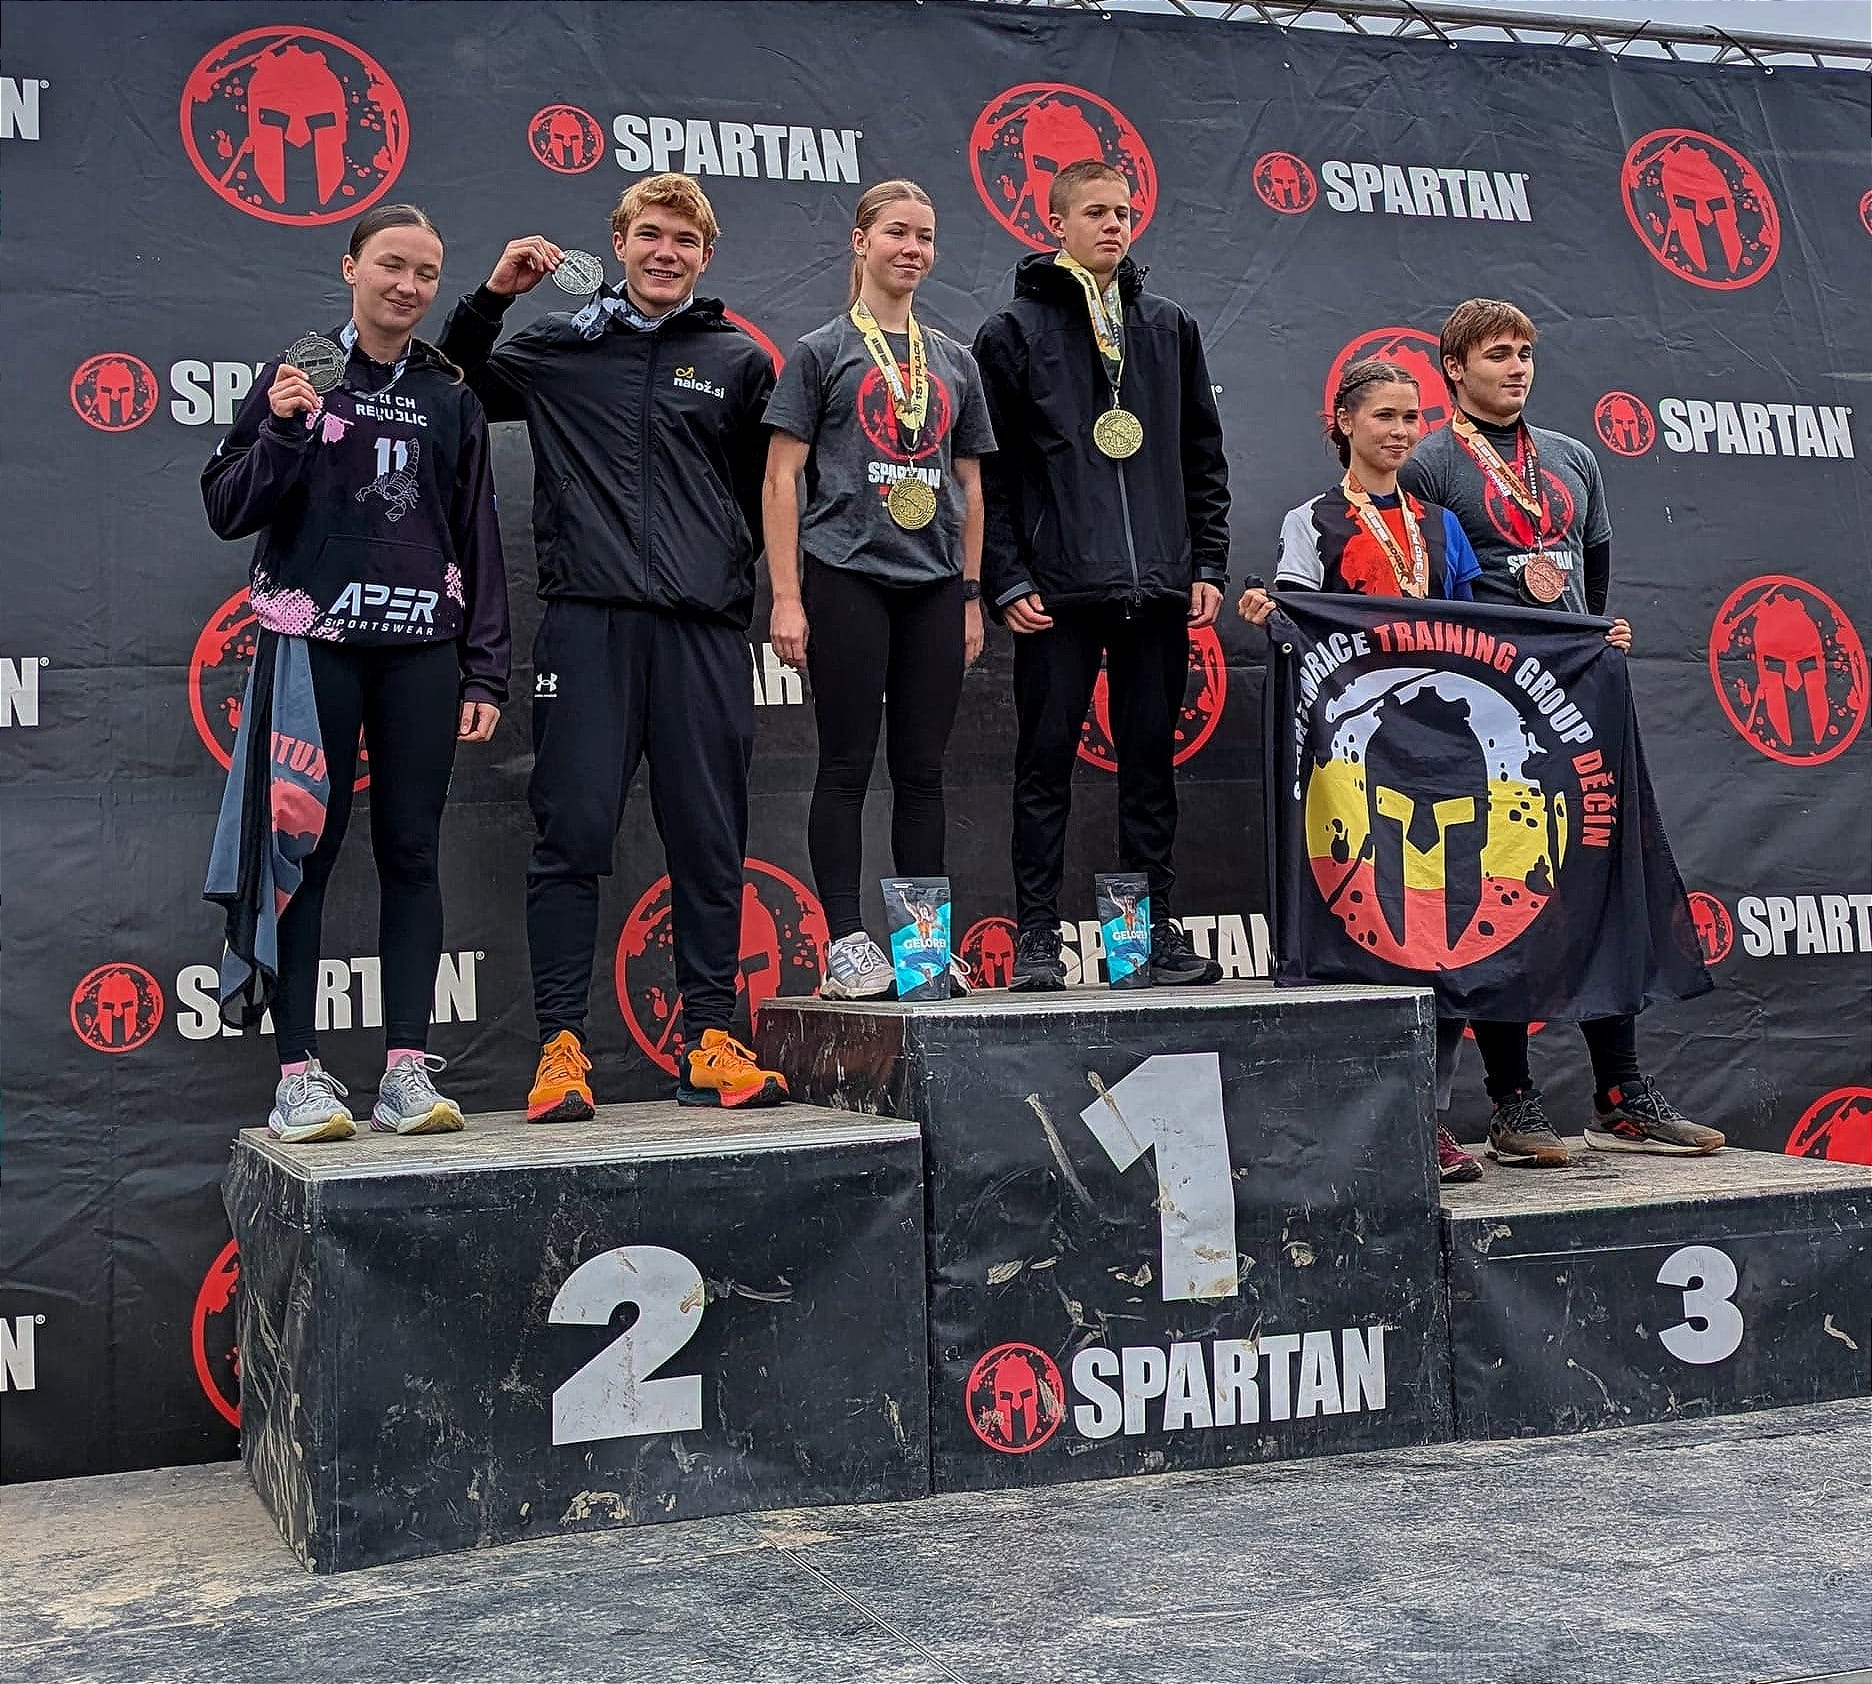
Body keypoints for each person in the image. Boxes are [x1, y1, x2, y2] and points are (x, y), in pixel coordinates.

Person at [436, 172, 790, 1117]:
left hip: (702, 634)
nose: (666, 252)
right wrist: (494, 296)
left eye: (684, 239)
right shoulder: (561, 345)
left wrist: (718, 570)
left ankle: (709, 1038)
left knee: (709, 842)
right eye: (650, 235)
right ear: (620, 242)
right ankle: (561, 1050)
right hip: (586, 627)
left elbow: (765, 495)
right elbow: (448, 381)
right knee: (572, 836)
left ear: (706, 256)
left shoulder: (737, 360)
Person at [202, 204, 509, 1144]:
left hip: (421, 648)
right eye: (390, 265)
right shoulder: (297, 375)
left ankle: (406, 1073)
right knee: (308, 853)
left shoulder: (450, 394)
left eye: (425, 272)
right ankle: (297, 1076)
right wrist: (284, 430)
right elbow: (226, 506)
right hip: (313, 645)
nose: (408, 286)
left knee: (412, 853)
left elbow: (477, 535)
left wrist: (485, 672)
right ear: (350, 268)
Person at [1395, 297, 1724, 1165]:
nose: (1517, 368)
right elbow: (1423, 589)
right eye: (1497, 354)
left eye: (1525, 353)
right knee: (1506, 892)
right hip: (1491, 714)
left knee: (1599, 887)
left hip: (1580, 706)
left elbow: (1591, 578)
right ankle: (1511, 1102)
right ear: (1454, 369)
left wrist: (1590, 643)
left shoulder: (1573, 458)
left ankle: (1621, 1093)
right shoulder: (1430, 464)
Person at [972, 158, 1231, 991]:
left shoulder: (1167, 326)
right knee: (1045, 764)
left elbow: (1201, 453)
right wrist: (1007, 578)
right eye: (1095, 212)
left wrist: (1208, 561)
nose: (1114, 224)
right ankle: (1038, 938)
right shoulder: (1011, 333)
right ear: (1056, 223)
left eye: (1122, 212)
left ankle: (1147, 937)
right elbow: (991, 474)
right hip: (1058, 590)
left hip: (1157, 587)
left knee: (1150, 768)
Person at [1239, 357, 1484, 1182]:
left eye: (1412, 417)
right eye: (1384, 415)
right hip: (1352, 759)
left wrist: (1589, 637)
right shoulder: (1311, 521)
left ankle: (1431, 1120)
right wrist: (1269, 614)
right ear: (1343, 423)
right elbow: (1295, 622)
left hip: (1441, 758)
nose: (1402, 431)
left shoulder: (1440, 525)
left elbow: (1485, 637)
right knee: (1363, 928)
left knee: (1441, 933)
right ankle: (1359, 1121)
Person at [762, 179, 996, 998]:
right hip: (846, 576)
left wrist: (970, 594)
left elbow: (970, 486)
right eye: (897, 232)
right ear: (860, 242)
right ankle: (846, 943)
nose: (912, 249)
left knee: (923, 770)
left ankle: (925, 949)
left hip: (933, 586)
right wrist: (786, 596)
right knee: (845, 764)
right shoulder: (821, 351)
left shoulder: (955, 361)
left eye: (924, 236)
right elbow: (781, 480)